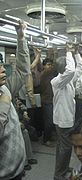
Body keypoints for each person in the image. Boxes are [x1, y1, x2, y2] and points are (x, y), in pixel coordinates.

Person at [51, 43, 82, 180]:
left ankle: (62, 169)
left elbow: (79, 69)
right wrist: (69, 52)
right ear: (64, 68)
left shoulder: (67, 81)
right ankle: (59, 174)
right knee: (65, 148)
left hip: (67, 117)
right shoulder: (57, 81)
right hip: (63, 119)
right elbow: (71, 71)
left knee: (63, 147)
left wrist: (76, 53)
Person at [0, 33, 26, 179]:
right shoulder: (4, 95)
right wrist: (3, 104)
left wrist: (21, 39)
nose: (3, 70)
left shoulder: (4, 89)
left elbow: (22, 72)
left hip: (17, 169)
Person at [40, 58, 57, 146]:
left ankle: (50, 136)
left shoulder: (51, 75)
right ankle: (45, 139)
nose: (50, 66)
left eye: (51, 65)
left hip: (52, 100)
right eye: (48, 65)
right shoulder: (43, 74)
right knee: (49, 121)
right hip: (46, 101)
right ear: (43, 66)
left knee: (52, 121)